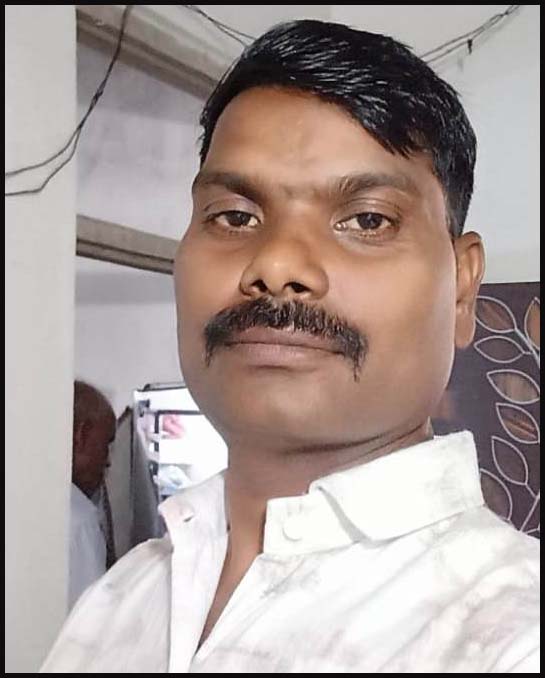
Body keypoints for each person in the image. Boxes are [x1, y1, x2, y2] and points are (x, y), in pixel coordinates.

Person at [42, 20, 539, 673]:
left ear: (461, 289)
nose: (275, 264)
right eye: (235, 217)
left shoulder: (509, 635)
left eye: (366, 220)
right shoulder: (120, 599)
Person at [68, 380, 116, 610]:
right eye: (106, 445)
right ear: (82, 435)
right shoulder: (80, 520)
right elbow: (92, 618)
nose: (108, 461)